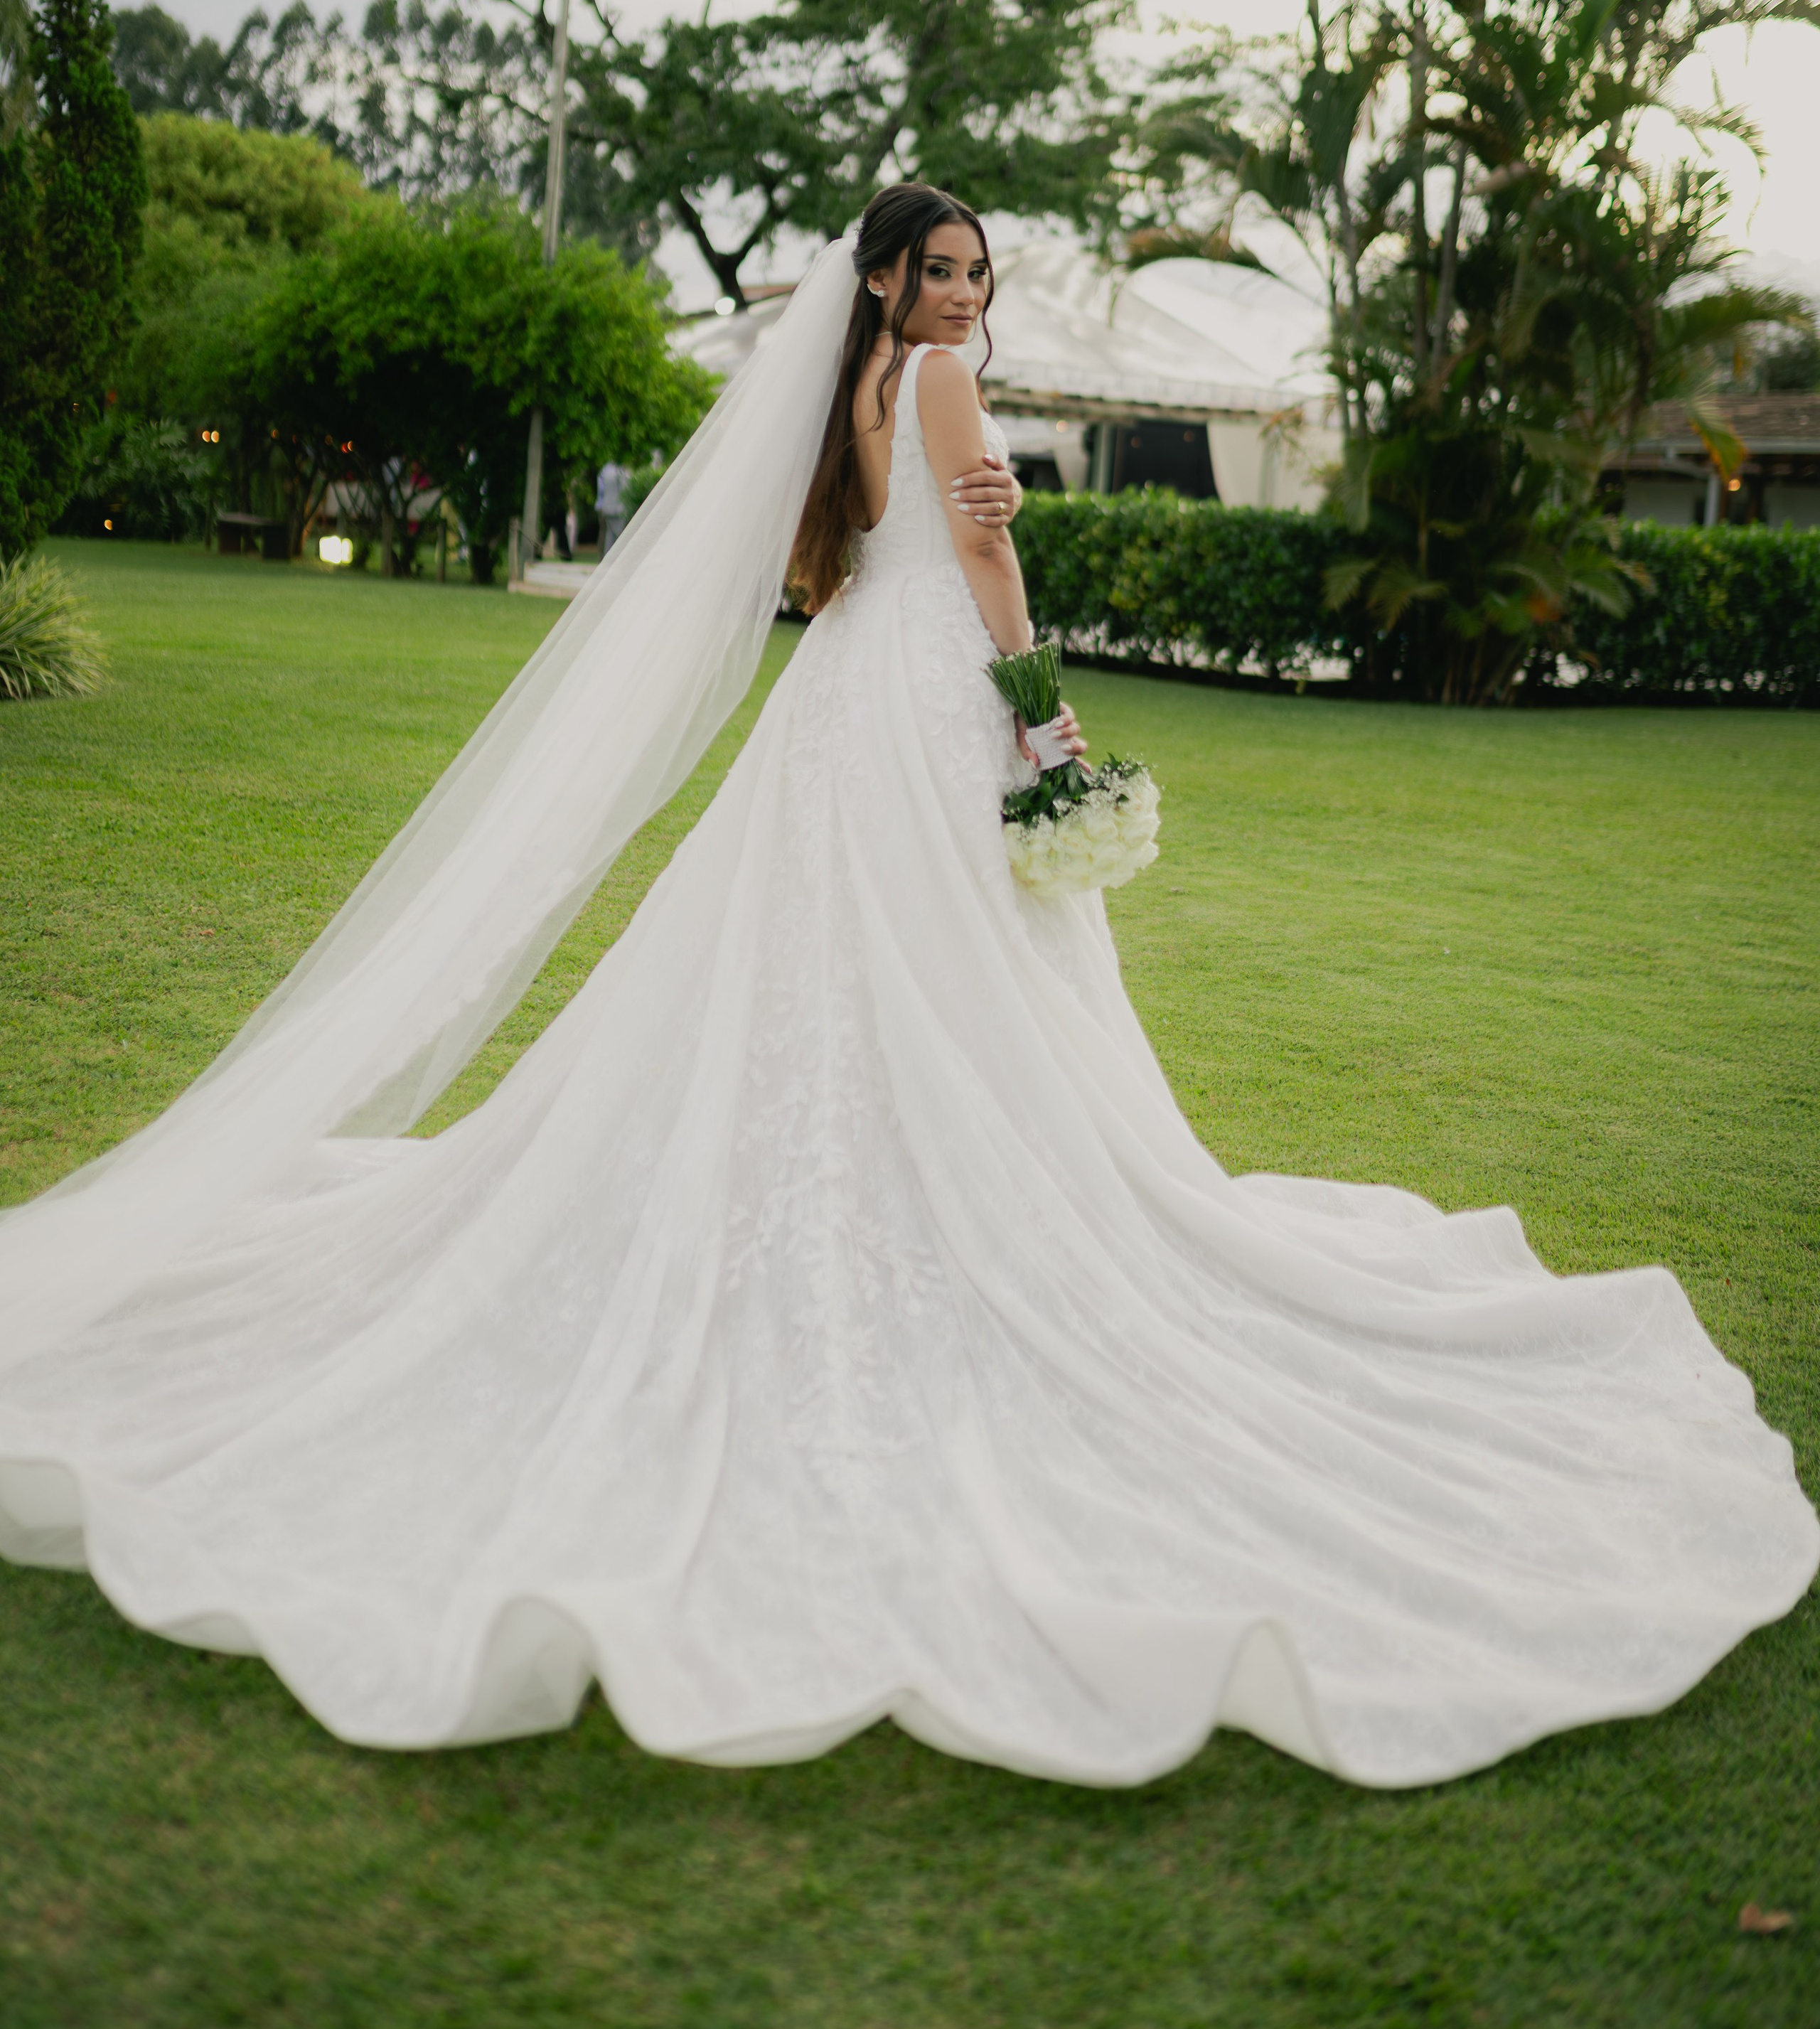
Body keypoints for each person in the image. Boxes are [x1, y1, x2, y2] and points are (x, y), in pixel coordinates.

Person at [0, 185, 1813, 1789]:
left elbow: (884, 549)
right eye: (937, 271)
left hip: (843, 708)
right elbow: (980, 554)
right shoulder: (934, 385)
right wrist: (1043, 705)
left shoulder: (852, 394)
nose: (963, 295)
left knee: (850, 967)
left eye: (974, 271)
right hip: (930, 707)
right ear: (880, 286)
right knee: (952, 971)